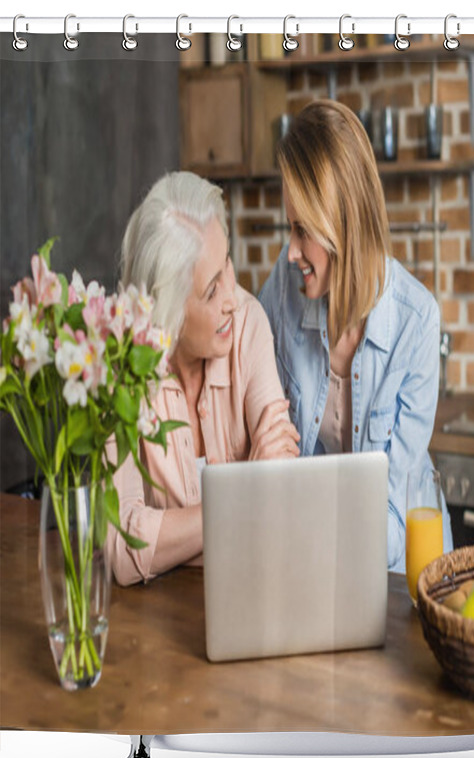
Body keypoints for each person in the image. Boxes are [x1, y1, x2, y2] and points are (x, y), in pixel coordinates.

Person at [258, 99, 452, 572]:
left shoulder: (416, 322)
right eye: (290, 227)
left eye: (304, 230)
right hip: (312, 556)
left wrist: (303, 529)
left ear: (343, 224)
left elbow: (390, 511)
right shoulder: (282, 295)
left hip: (401, 570)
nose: (291, 252)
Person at [110, 171, 300, 586]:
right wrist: (244, 493)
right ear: (168, 312)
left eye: (227, 263)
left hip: (254, 589)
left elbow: (283, 490)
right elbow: (121, 547)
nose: (232, 297)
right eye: (212, 290)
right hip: (156, 619)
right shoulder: (119, 364)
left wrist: (169, 535)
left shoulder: (248, 324)